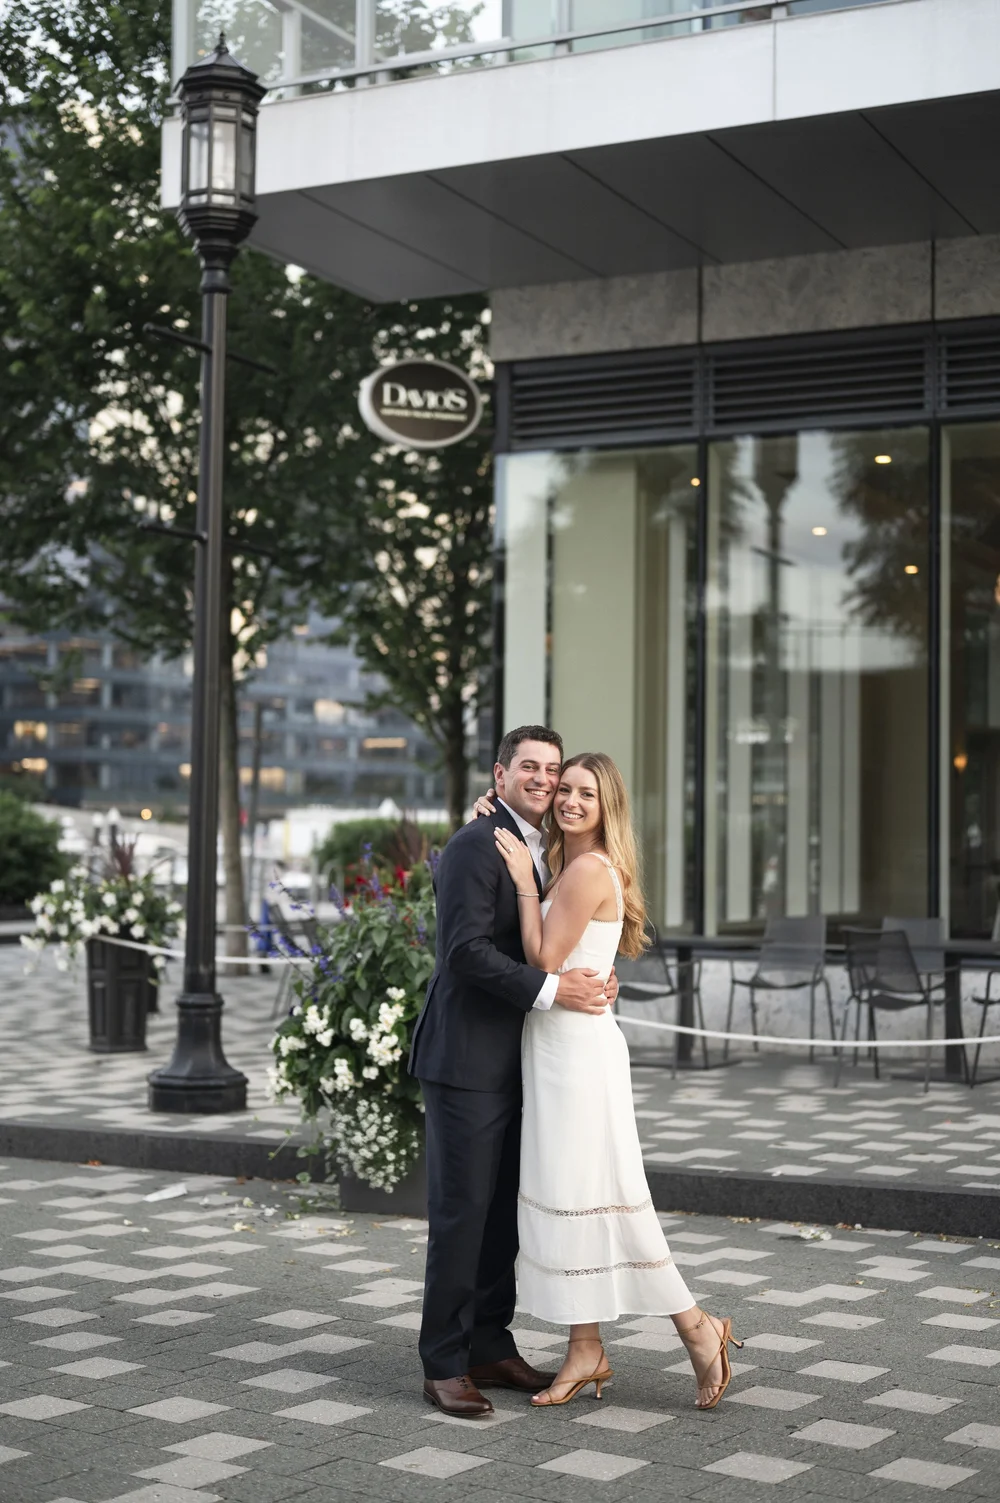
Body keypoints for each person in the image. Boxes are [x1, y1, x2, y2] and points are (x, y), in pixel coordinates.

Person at [485, 751, 742, 1410]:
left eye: (584, 795)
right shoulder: (575, 865)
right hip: (560, 1046)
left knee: (611, 1200)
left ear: (606, 809)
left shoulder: (586, 869)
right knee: (576, 1198)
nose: (568, 800)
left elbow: (544, 957)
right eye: (564, 788)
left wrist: (521, 879)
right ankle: (585, 1346)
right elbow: (576, 958)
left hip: (576, 1056)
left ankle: (698, 1328)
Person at [409, 725, 620, 1419]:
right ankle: (443, 1361)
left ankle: (488, 1343)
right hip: (467, 1061)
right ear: (500, 775)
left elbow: (560, 932)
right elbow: (465, 953)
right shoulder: (476, 844)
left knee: (503, 1215)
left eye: (552, 770)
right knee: (462, 1213)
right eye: (528, 767)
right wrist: (557, 991)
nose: (543, 779)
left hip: (523, 1062)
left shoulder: (543, 848)